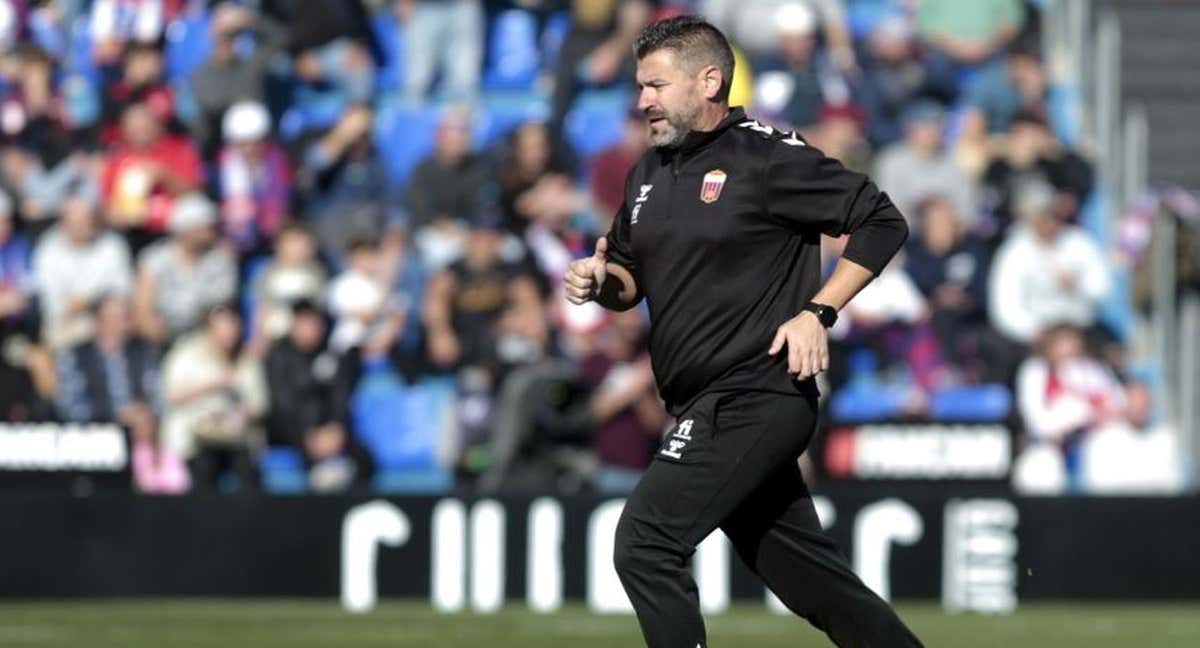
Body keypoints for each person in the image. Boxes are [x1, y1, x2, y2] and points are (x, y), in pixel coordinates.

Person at [563, 16, 922, 647]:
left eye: (654, 85)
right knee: (809, 579)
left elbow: (881, 221)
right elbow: (628, 276)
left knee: (645, 542)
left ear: (709, 81)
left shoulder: (767, 156)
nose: (641, 100)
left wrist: (820, 311)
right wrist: (601, 280)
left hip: (755, 393)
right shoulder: (647, 173)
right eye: (640, 86)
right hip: (701, 402)